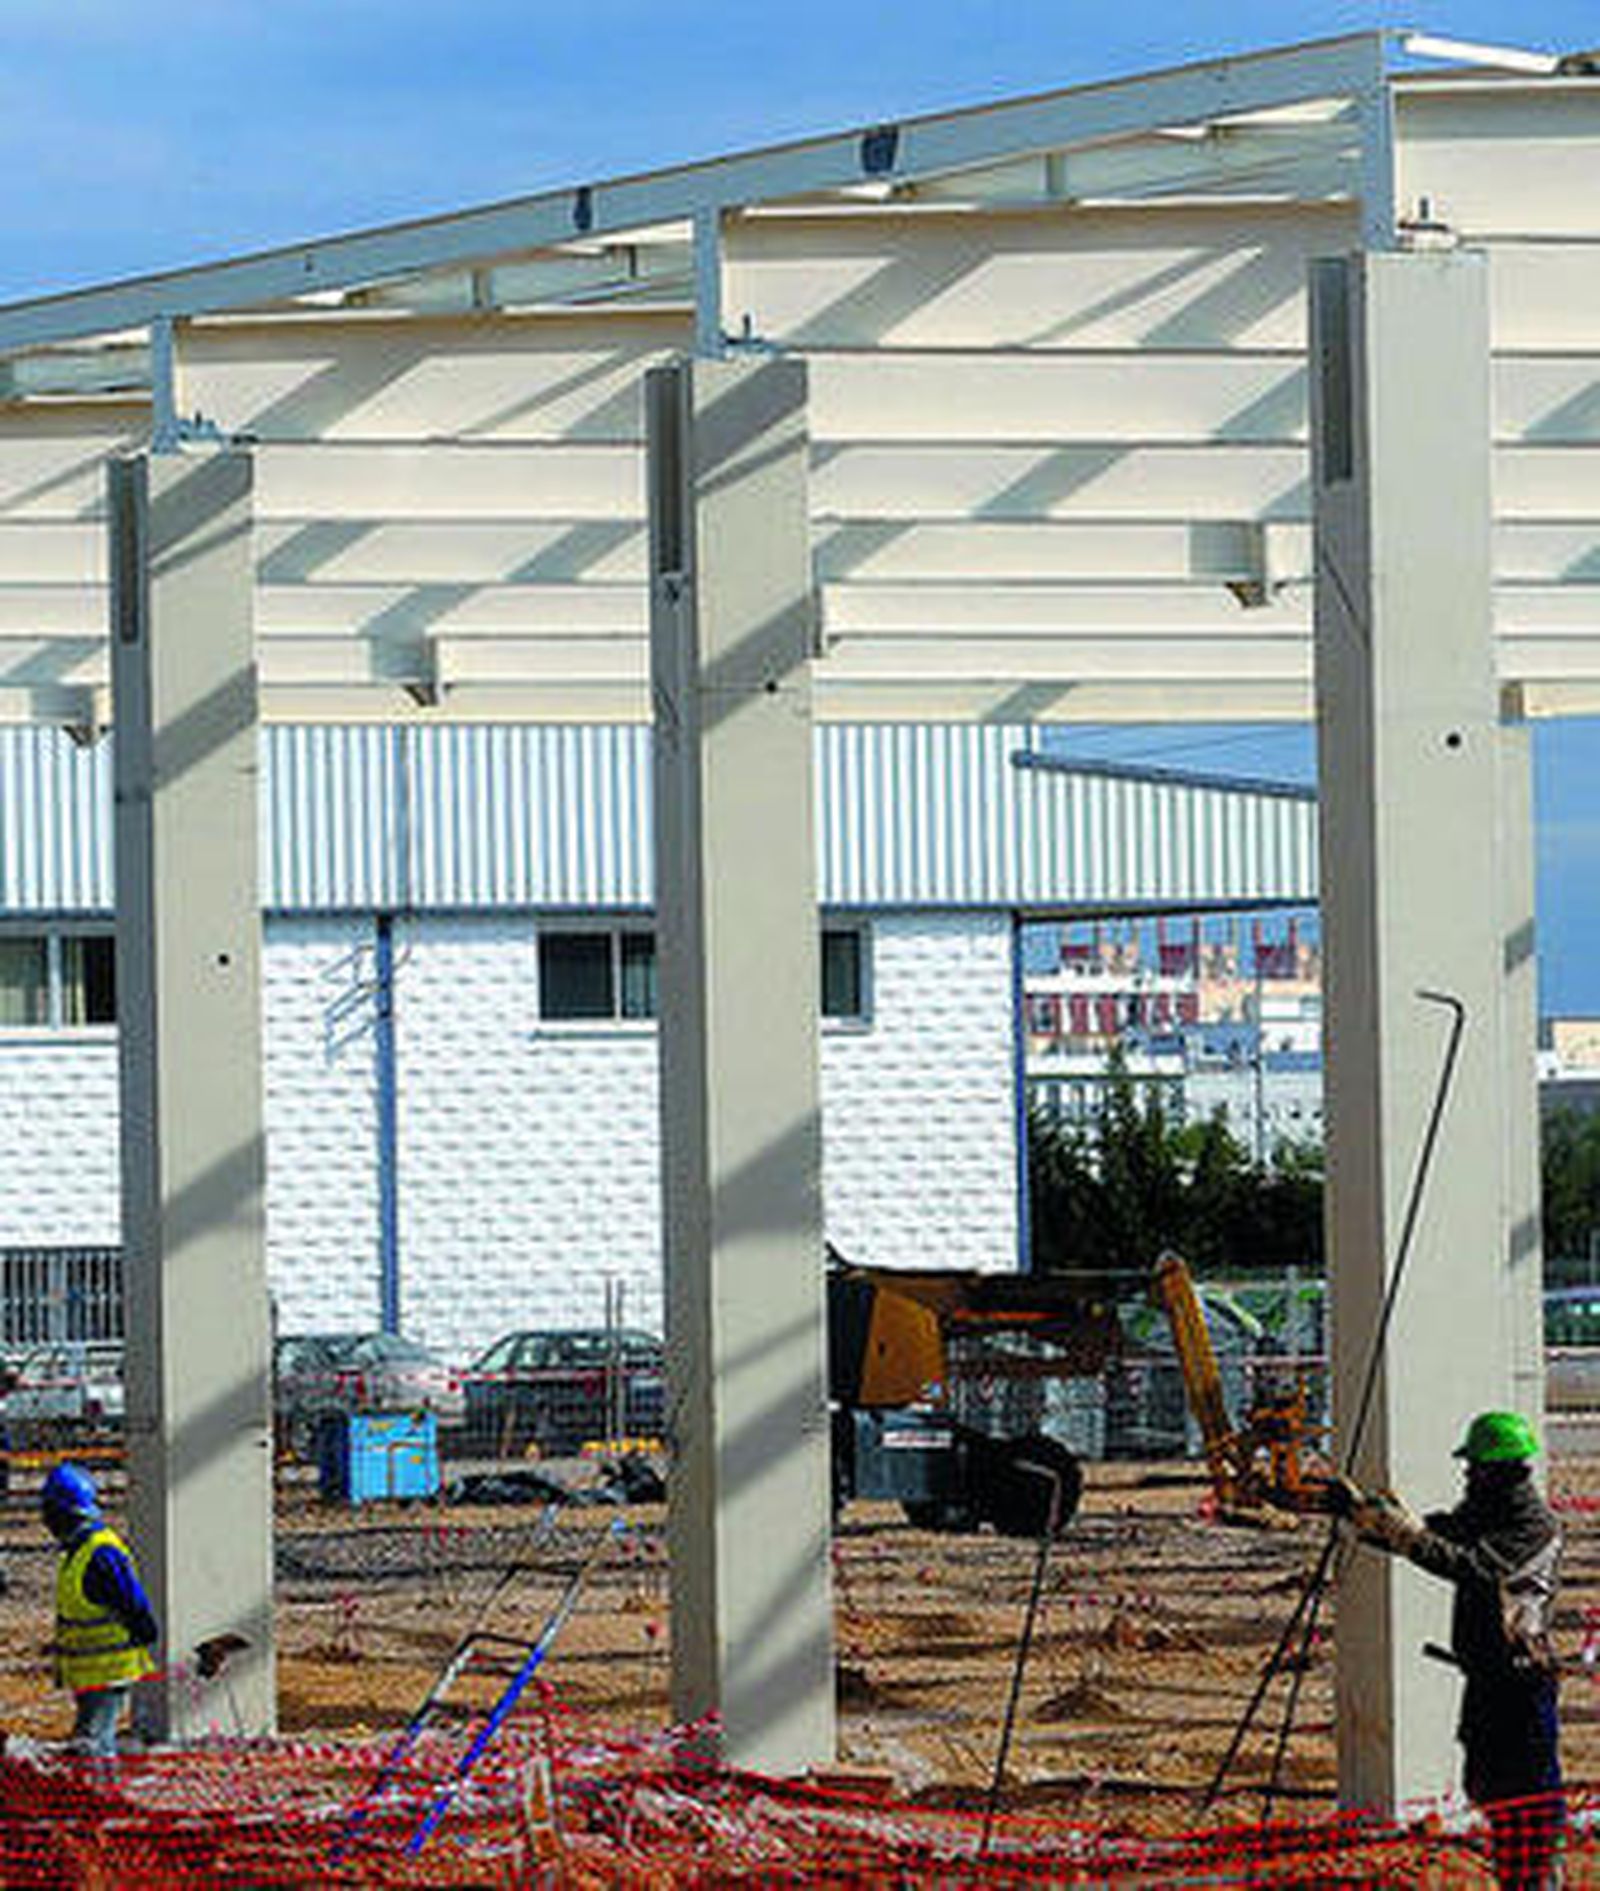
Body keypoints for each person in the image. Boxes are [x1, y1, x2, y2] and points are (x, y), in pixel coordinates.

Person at [1334, 1411, 1563, 1890]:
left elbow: (1470, 1566)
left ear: (1500, 1471)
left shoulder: (1534, 1526)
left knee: (1529, 1799)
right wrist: (1365, 1518)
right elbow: (1440, 1533)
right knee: (1489, 1786)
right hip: (1487, 1680)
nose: (1467, 1474)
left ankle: (1539, 1882)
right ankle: (1516, 1877)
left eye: (1474, 1466)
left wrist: (1405, 1532)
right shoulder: (1489, 1514)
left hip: (1520, 1684)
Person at [41, 1462, 158, 1758]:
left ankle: (100, 1796)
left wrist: (144, 1632)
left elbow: (132, 1603)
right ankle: (95, 1794)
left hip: (108, 1669)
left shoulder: (101, 1554)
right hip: (89, 1671)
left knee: (94, 1742)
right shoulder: (78, 1550)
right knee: (89, 1738)